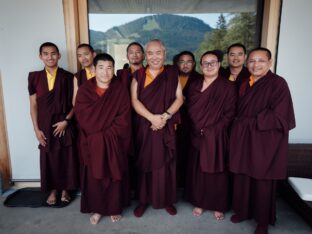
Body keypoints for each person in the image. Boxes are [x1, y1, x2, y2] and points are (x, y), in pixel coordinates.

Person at [229, 47, 296, 234]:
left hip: (265, 140)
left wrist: (246, 122)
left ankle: (262, 221)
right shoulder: (244, 82)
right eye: (251, 60)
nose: (255, 64)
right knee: (242, 174)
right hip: (244, 138)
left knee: (262, 179)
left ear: (269, 62)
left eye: (260, 60)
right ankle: (243, 211)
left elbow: (281, 116)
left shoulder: (278, 83)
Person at [74, 53, 131, 224]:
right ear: (94, 69)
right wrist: (99, 136)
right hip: (92, 143)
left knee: (114, 176)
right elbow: (83, 118)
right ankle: (98, 209)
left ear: (113, 69)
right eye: (101, 68)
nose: (105, 72)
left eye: (109, 68)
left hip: (114, 141)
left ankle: (114, 208)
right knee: (95, 178)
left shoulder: (119, 90)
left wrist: (106, 135)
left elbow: (124, 119)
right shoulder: (85, 90)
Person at [130, 39, 183, 217]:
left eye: (158, 52)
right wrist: (152, 118)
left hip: (165, 125)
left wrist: (165, 117)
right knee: (145, 162)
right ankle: (144, 201)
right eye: (150, 53)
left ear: (164, 53)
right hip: (145, 126)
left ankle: (166, 200)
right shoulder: (139, 75)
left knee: (166, 164)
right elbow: (134, 100)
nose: (154, 57)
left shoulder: (172, 73)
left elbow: (179, 98)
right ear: (146, 55)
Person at [185, 50, 237, 220]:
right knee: (198, 170)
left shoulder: (228, 87)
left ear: (219, 64)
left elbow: (229, 114)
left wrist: (211, 130)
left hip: (217, 136)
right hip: (197, 134)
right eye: (205, 63)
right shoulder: (194, 85)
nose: (209, 66)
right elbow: (191, 110)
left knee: (217, 172)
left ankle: (218, 205)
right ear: (201, 66)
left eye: (212, 62)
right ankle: (199, 202)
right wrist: (200, 129)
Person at [28, 42, 79, 205]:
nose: (50, 57)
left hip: (65, 122)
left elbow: (75, 104)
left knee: (66, 157)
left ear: (59, 55)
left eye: (53, 53)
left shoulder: (69, 77)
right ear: (40, 56)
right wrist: (36, 129)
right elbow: (33, 105)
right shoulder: (34, 77)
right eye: (46, 54)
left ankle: (65, 189)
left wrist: (66, 121)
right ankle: (53, 190)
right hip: (45, 124)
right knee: (48, 157)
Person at [174, 51, 201, 188]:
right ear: (177, 64)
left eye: (189, 61)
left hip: (191, 122)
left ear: (194, 63)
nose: (185, 65)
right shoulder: (172, 77)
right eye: (182, 62)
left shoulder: (200, 79)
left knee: (188, 153)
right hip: (172, 121)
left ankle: (186, 183)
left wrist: (186, 101)